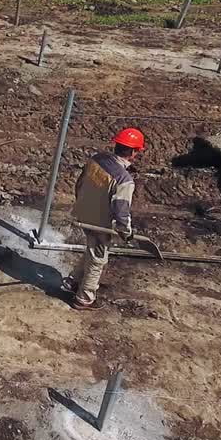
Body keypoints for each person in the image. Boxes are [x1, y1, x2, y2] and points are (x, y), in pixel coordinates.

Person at [61, 127, 145, 310]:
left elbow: (80, 183)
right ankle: (85, 298)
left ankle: (73, 282)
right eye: (137, 151)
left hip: (83, 212)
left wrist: (82, 203)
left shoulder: (96, 159)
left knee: (91, 248)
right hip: (100, 222)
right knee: (98, 257)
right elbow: (121, 210)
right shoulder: (124, 180)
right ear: (133, 152)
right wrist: (125, 231)